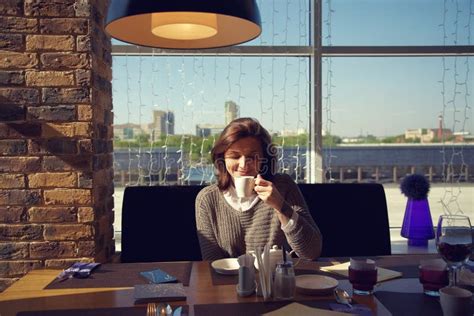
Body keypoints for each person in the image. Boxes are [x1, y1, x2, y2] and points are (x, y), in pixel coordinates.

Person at [195, 117, 322, 261]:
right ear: (222, 158)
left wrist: (280, 206)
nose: (243, 164)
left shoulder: (283, 186)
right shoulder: (207, 199)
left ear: (264, 158)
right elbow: (211, 263)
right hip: (229, 282)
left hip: (276, 280)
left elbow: (312, 252)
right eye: (235, 156)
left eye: (252, 156)